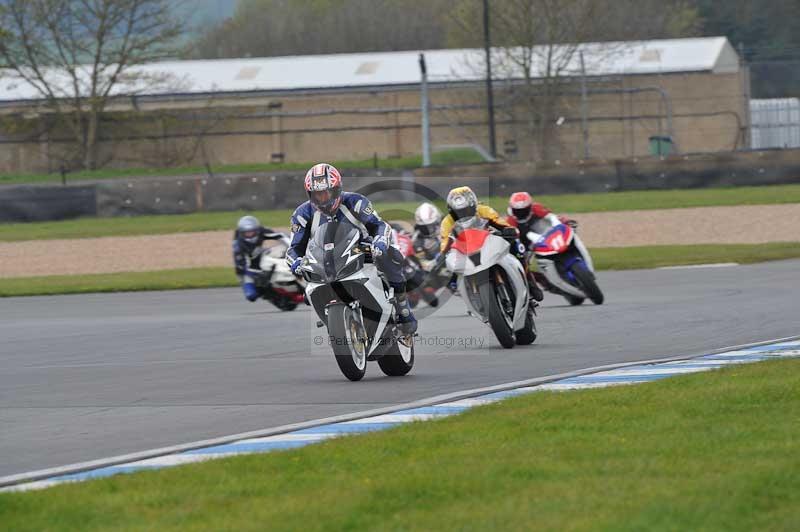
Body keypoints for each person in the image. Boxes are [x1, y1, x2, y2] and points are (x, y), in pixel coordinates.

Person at [286, 163, 417, 334]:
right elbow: (294, 248)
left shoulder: (356, 202)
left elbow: (379, 225)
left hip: (362, 250)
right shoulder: (302, 215)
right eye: (317, 194)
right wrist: (295, 262)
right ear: (310, 194)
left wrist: (379, 242)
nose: (322, 199)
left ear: (337, 189)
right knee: (307, 288)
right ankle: (334, 320)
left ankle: (402, 306)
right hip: (326, 259)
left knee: (392, 255)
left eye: (326, 192)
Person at [438, 186, 543, 302]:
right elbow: (444, 244)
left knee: (517, 245)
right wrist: (444, 253)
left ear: (473, 205)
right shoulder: (446, 222)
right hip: (466, 250)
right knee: (451, 269)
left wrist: (507, 230)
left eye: (466, 210)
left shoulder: (484, 210)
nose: (463, 215)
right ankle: (471, 295)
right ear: (451, 210)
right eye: (458, 212)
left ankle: (530, 281)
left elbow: (501, 223)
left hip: (488, 242)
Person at [505, 191, 577, 295]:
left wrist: (566, 222)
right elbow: (513, 241)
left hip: (546, 235)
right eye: (518, 210)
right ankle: (543, 284)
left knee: (570, 234)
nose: (521, 213)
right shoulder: (511, 221)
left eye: (524, 209)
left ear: (530, 206)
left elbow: (553, 217)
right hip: (527, 245)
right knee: (523, 269)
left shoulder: (536, 208)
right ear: (512, 208)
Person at [232, 215, 286, 302]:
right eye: (247, 233)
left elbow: (278, 235)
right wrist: (259, 274)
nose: (250, 235)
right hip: (246, 270)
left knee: (277, 255)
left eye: (252, 232)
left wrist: (291, 242)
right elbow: (241, 267)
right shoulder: (238, 246)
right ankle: (265, 293)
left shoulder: (261, 231)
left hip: (258, 255)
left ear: (257, 230)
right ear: (242, 233)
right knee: (251, 296)